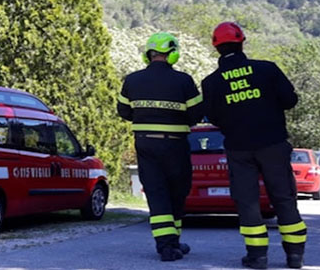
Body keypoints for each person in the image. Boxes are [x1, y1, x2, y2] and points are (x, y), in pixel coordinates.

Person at [200, 22, 305, 270]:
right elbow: (290, 100)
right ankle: (295, 256)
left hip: (239, 148)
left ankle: (257, 257)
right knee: (284, 198)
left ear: (216, 47)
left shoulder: (212, 82)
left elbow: (212, 116)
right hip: (273, 143)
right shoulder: (266, 70)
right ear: (242, 42)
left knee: (247, 201)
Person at [117, 32, 204, 261]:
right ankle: (169, 244)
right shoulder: (184, 81)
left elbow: (123, 111)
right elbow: (196, 113)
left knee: (156, 194)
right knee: (177, 192)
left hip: (146, 144)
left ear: (148, 55)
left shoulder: (132, 80)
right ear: (173, 54)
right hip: (175, 145)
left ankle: (169, 244)